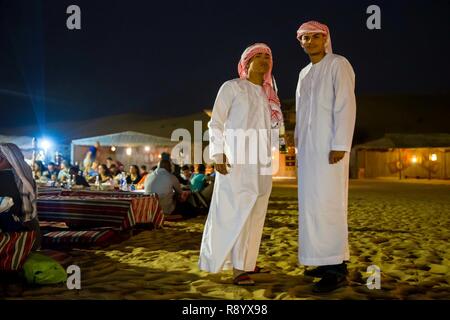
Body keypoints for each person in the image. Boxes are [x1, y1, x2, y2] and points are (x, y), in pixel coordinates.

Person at [198, 43, 283, 285]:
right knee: (236, 212)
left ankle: (246, 263)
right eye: (259, 56)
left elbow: (274, 130)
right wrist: (218, 154)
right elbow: (216, 123)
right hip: (236, 161)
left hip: (262, 162)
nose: (265, 60)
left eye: (268, 56)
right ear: (246, 63)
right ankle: (237, 269)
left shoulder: (269, 96)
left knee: (256, 213)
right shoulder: (232, 87)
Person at [295, 21, 356, 293]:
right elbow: (301, 114)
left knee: (330, 204)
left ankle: (337, 269)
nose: (309, 42)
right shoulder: (304, 73)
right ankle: (322, 260)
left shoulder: (338, 64)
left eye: (315, 37)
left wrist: (340, 143)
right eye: (304, 38)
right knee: (311, 206)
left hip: (330, 148)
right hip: (308, 151)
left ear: (325, 38)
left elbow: (345, 104)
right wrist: (298, 148)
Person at [0, 143, 41, 248]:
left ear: (10, 159)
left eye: (1, 157)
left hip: (13, 228)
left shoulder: (10, 177)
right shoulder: (24, 176)